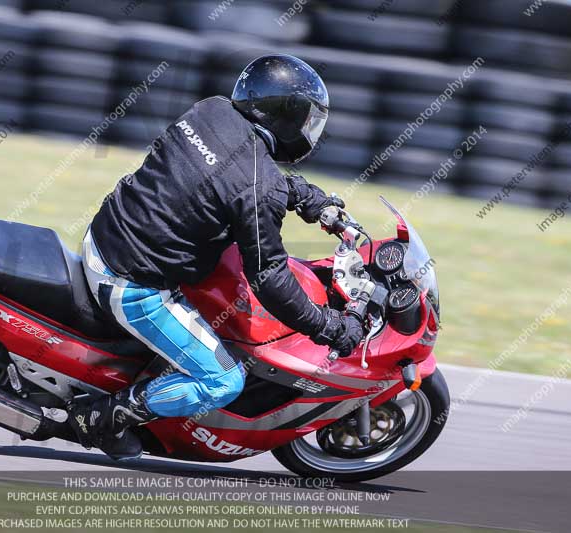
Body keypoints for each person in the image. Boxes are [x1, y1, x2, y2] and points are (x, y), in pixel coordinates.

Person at [67, 54, 365, 460]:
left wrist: (305, 196)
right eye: (309, 120)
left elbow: (229, 174)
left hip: (108, 233)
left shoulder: (210, 110)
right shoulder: (257, 188)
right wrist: (327, 327)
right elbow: (270, 277)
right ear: (287, 117)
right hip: (132, 284)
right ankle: (107, 416)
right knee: (223, 382)